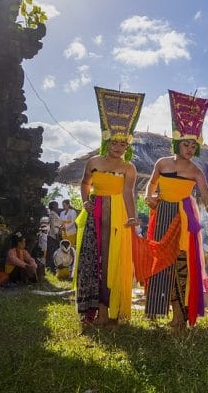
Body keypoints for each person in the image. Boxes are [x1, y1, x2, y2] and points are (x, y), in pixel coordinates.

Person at [141, 89, 208, 330]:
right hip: (162, 212)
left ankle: (179, 317)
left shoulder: (196, 171)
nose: (189, 149)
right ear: (177, 143)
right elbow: (151, 184)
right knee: (159, 259)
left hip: (185, 216)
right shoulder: (162, 163)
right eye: (186, 144)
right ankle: (155, 310)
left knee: (180, 262)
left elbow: (206, 195)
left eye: (192, 145)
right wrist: (148, 197)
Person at [75, 86, 143, 326]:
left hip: (118, 215)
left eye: (122, 144)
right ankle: (91, 313)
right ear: (107, 141)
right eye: (114, 142)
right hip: (95, 213)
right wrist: (85, 201)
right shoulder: (94, 161)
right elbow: (85, 183)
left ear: (127, 146)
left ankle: (111, 312)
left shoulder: (129, 168)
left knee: (113, 260)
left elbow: (128, 193)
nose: (118, 147)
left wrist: (132, 218)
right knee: (92, 260)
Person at [45, 201, 62, 271]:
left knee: (53, 251)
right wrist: (56, 236)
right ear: (53, 206)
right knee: (52, 251)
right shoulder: (52, 214)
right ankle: (51, 267)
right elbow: (53, 226)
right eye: (56, 205)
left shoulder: (54, 214)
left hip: (55, 235)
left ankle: (51, 266)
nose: (58, 207)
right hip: (53, 236)